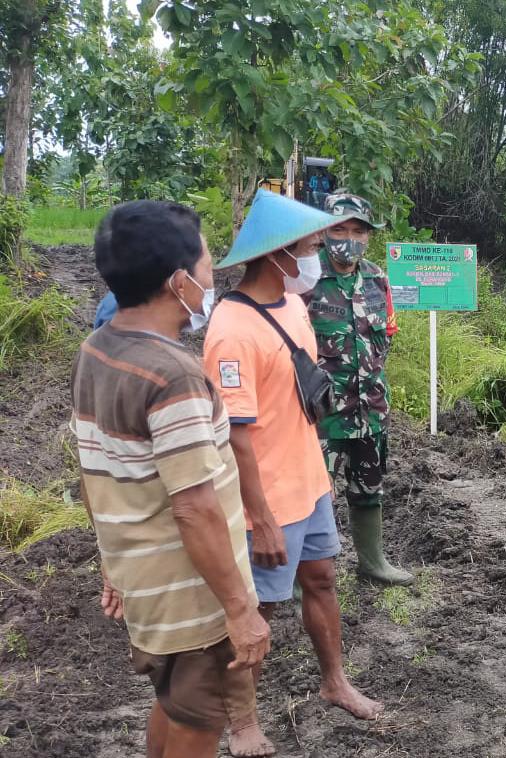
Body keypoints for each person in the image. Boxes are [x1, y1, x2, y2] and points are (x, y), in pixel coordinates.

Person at [71, 200, 270, 758]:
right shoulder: (174, 376)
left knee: (174, 703)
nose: (213, 276)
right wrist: (238, 608)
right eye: (207, 264)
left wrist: (113, 562)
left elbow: (97, 468)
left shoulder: (98, 349)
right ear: (179, 282)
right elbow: (195, 507)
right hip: (193, 597)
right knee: (197, 722)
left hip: (145, 581)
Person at [202, 190, 384, 732]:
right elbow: (235, 435)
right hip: (269, 497)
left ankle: (335, 681)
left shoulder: (294, 306)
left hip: (310, 483)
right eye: (308, 246)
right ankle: (243, 722)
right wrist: (258, 517)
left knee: (323, 580)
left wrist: (321, 480)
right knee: (260, 611)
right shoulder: (232, 330)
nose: (316, 257)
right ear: (278, 255)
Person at [301, 192, 412, 584]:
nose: (349, 237)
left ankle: (372, 563)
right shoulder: (305, 279)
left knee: (369, 488)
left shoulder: (378, 278)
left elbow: (386, 337)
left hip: (369, 408)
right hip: (320, 416)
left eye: (358, 230)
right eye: (340, 228)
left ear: (369, 236)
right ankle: (304, 584)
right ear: (323, 231)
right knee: (311, 498)